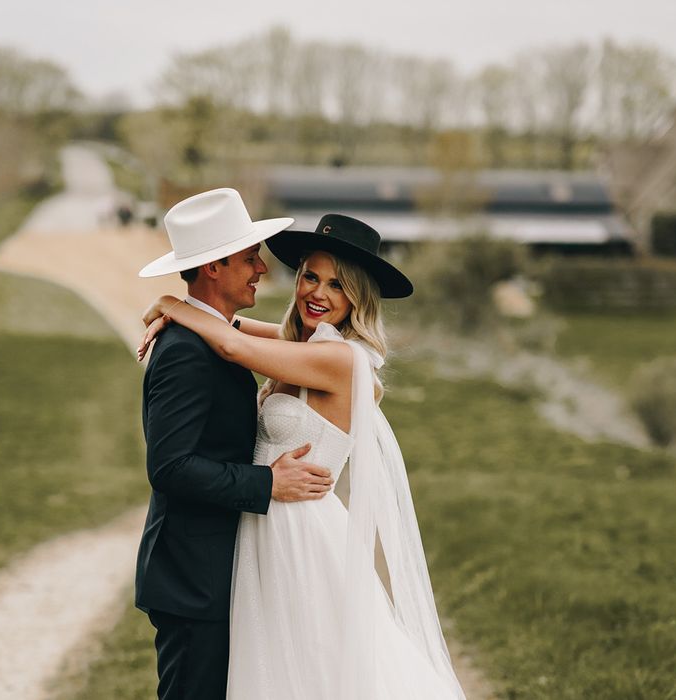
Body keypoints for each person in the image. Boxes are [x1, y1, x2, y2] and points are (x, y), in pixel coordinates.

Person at [139, 214, 467, 700]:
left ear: (358, 297)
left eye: (337, 284)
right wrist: (188, 313)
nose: (318, 291)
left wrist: (171, 303)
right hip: (263, 529)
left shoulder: (342, 360)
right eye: (310, 276)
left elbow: (231, 344)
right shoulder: (302, 345)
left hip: (301, 533)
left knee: (310, 670)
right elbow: (235, 327)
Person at [135, 188, 334, 700]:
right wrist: (269, 482)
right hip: (193, 580)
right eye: (250, 258)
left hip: (221, 573)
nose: (262, 269)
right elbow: (170, 467)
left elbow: (279, 345)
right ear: (214, 268)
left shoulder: (212, 336)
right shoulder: (185, 351)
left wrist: (176, 305)